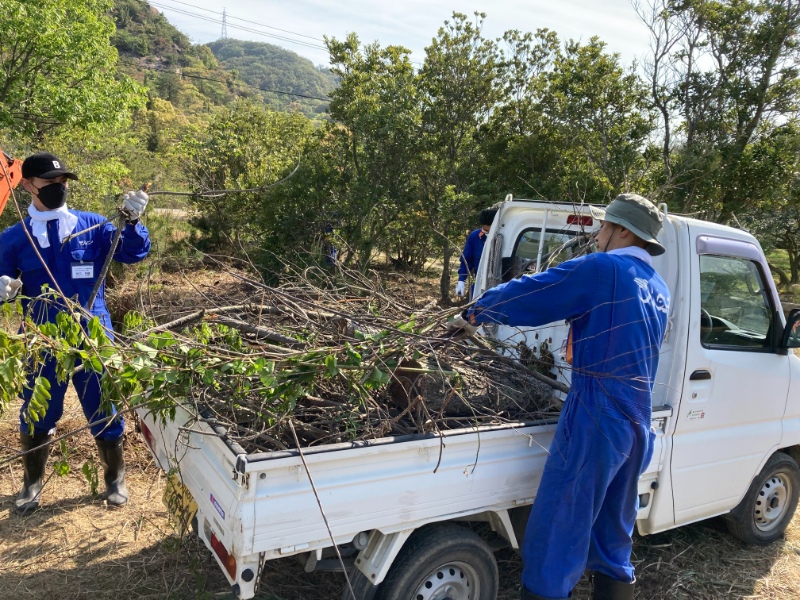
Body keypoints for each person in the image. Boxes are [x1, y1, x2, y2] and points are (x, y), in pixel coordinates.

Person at [450, 194, 670, 600]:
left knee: (559, 528)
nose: (599, 235)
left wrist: (475, 313)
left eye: (604, 227)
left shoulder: (606, 269)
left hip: (598, 413)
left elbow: (538, 291)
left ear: (623, 230)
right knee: (613, 533)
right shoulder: (657, 287)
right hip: (638, 418)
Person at [0, 152, 151, 514]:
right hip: (41, 337)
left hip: (93, 332)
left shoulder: (93, 225)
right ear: (26, 185)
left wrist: (132, 222)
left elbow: (133, 253)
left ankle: (115, 477)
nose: (58, 188)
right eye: (49, 182)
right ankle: (32, 483)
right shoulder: (12, 237)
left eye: (62, 181)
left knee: (104, 404)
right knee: (37, 410)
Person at [455, 208, 497, 299]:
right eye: (485, 231)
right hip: (480, 283)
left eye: (489, 231)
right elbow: (467, 260)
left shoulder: (507, 236)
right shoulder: (475, 237)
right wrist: (461, 281)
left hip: (500, 285)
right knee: (472, 307)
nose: (487, 233)